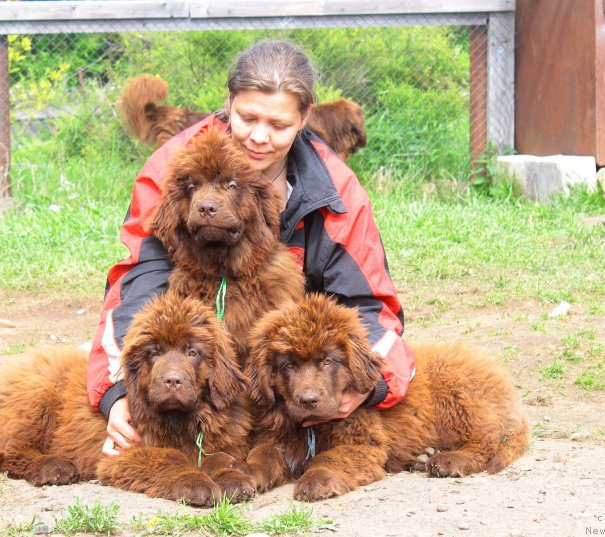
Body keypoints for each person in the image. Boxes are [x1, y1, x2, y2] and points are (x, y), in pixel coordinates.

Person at [88, 40, 416, 456]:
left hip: (287, 373)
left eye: (278, 125)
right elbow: (136, 286)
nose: (259, 137)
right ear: (229, 103)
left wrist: (368, 386)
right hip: (191, 365)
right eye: (247, 118)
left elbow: (369, 305)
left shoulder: (335, 192)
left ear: (304, 118)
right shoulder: (173, 168)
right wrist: (116, 390)